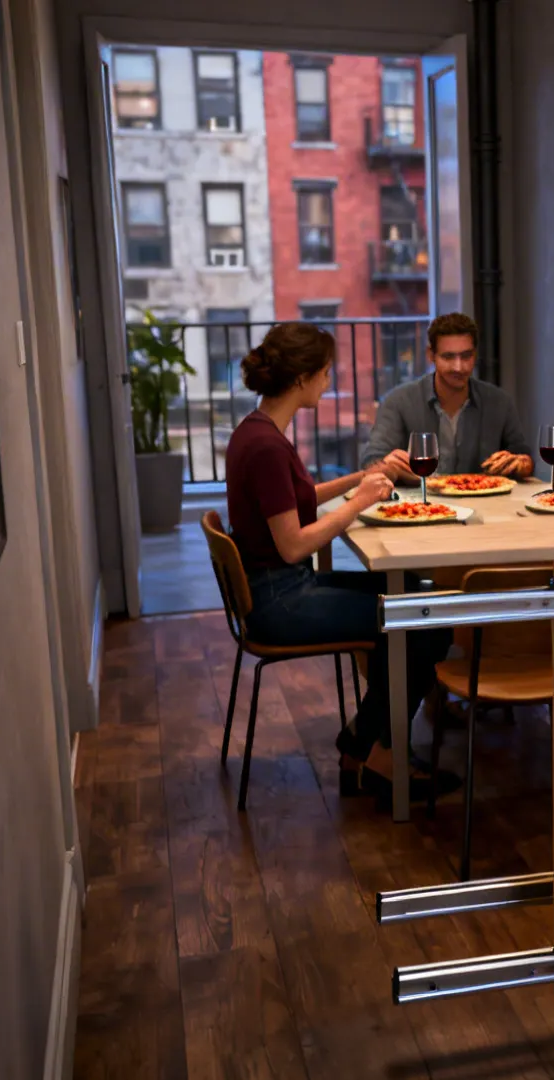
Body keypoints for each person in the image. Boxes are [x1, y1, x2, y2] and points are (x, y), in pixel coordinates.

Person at [223, 322, 455, 801]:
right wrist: (358, 502)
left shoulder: (257, 430)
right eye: (326, 373)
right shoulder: (267, 446)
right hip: (281, 601)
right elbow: (292, 545)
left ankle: (366, 744)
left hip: (277, 590)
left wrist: (365, 476)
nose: (329, 382)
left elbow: (299, 498)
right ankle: (374, 750)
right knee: (426, 621)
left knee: (418, 599)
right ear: (302, 377)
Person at [362, 312, 536, 481]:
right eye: (448, 357)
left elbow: (522, 457)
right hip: (418, 506)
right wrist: (386, 465)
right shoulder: (399, 401)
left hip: (484, 504)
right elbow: (370, 462)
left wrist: (523, 464)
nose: (458, 367)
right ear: (431, 355)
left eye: (466, 356)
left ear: (475, 354)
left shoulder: (499, 402)